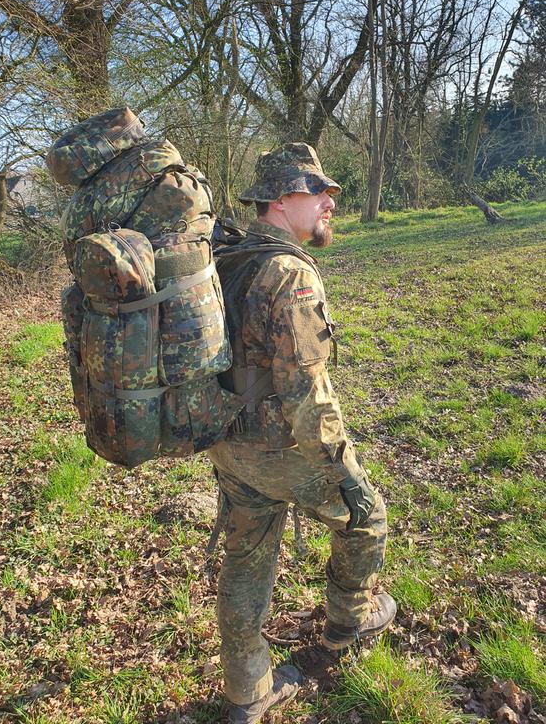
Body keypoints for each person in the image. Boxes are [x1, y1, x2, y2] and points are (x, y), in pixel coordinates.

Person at [210, 143, 395, 724]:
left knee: (246, 557)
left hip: (227, 442)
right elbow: (306, 391)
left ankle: (248, 690)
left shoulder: (229, 258)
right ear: (285, 199)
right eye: (320, 192)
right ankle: (348, 623)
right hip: (282, 446)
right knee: (367, 519)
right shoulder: (289, 272)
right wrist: (343, 470)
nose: (330, 204)